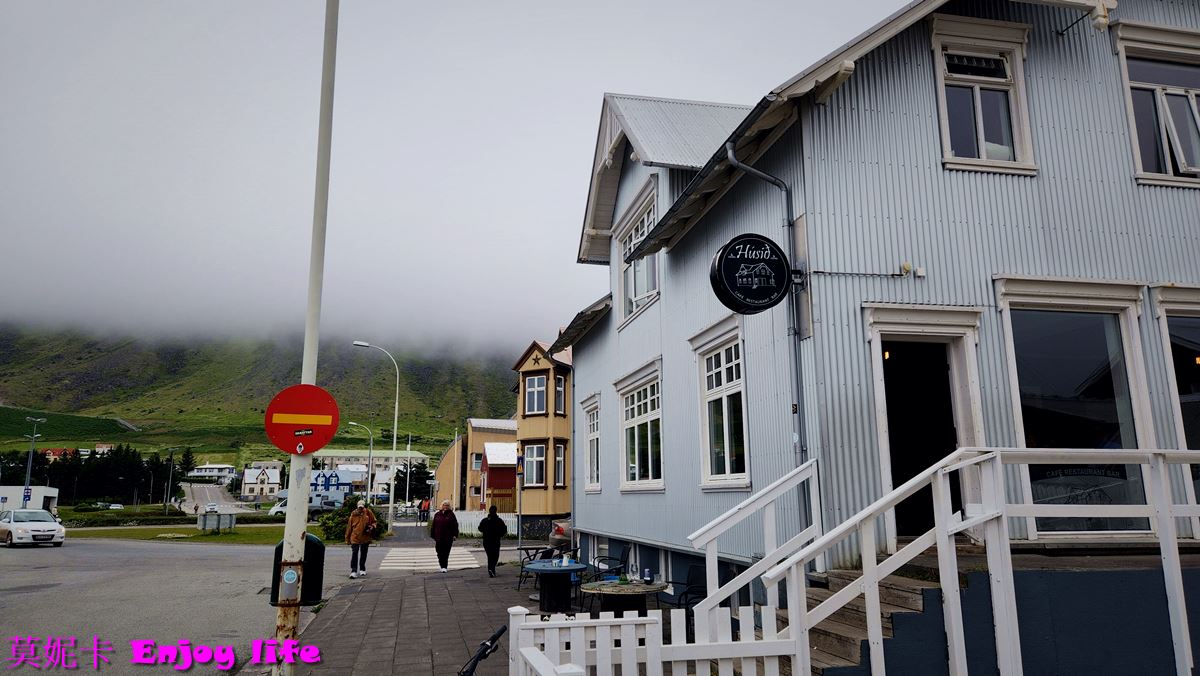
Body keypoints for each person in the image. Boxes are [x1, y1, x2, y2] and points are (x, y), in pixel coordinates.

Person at [344, 500, 377, 579]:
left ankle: (362, 568)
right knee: (354, 553)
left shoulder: (368, 513)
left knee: (363, 553)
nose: (361, 509)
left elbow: (374, 521)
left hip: (365, 537)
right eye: (359, 508)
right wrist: (347, 538)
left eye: (362, 507)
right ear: (357, 507)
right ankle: (353, 571)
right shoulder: (353, 515)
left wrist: (372, 527)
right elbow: (349, 527)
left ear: (364, 507)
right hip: (355, 537)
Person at [477, 505, 507, 577]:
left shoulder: (485, 520)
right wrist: (500, 535)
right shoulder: (499, 521)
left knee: (490, 556)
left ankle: (491, 569)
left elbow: (480, 528)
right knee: (495, 555)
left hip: (487, 541)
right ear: (496, 511)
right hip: (496, 541)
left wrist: (485, 532)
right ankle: (492, 569)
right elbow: (504, 529)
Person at [430, 499, 459, 573]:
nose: (445, 507)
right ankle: (441, 565)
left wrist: (455, 535)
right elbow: (434, 525)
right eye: (444, 505)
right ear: (441, 506)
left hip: (448, 537)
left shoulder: (451, 515)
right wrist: (433, 534)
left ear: (449, 506)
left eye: (447, 505)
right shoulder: (437, 514)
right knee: (439, 552)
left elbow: (455, 525)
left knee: (446, 552)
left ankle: (444, 567)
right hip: (438, 537)